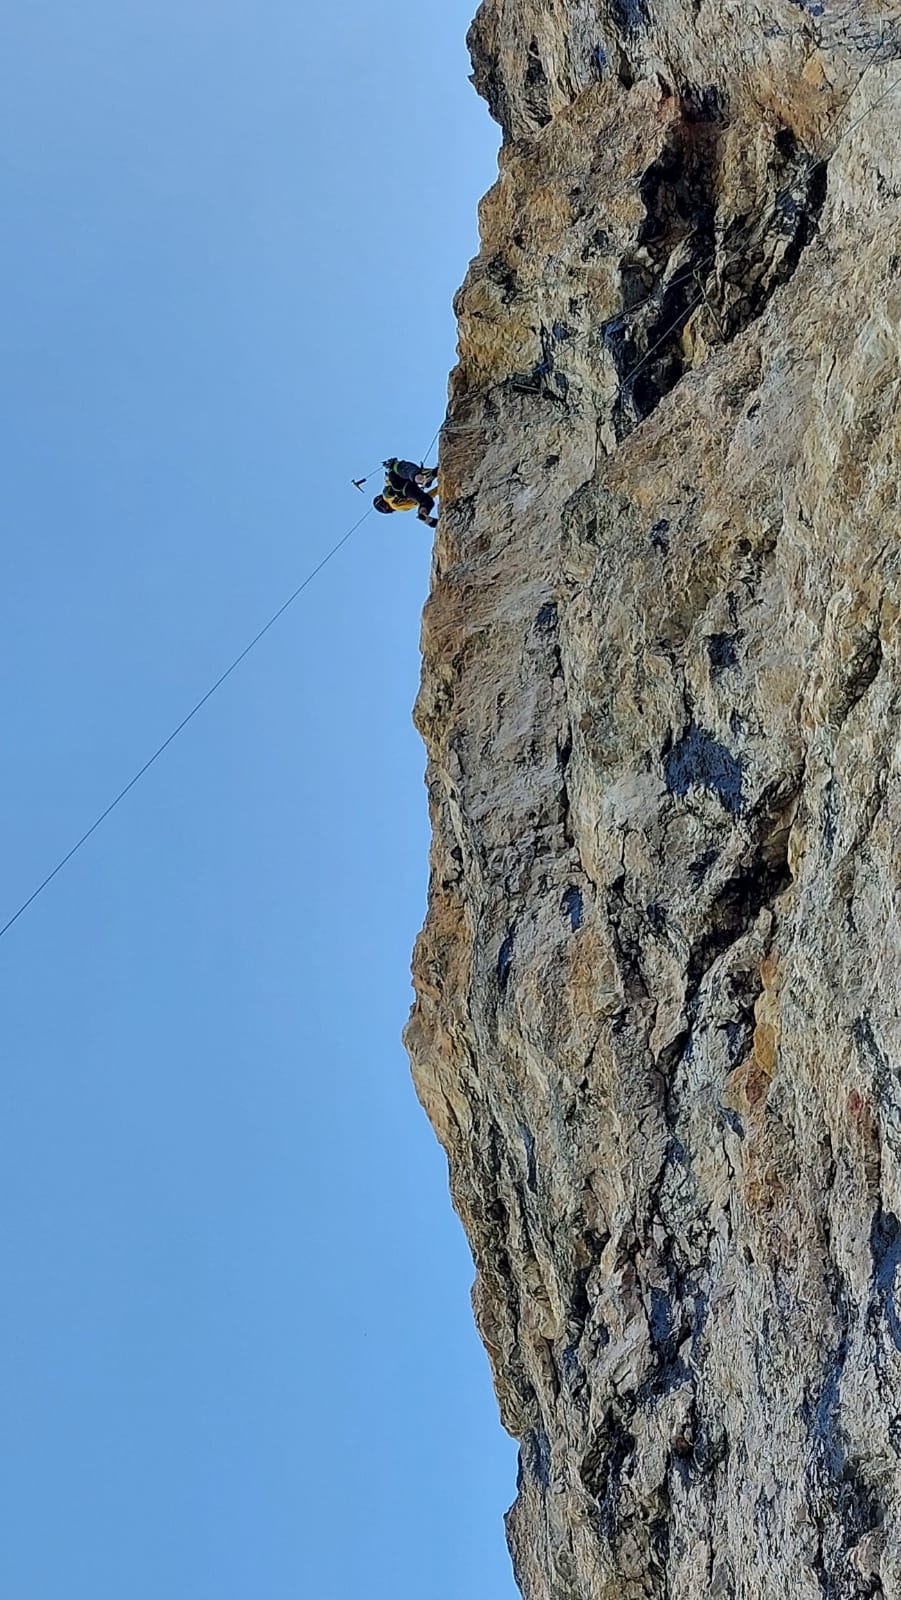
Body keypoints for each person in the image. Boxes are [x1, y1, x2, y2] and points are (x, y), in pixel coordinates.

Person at [373, 458, 438, 526]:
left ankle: (423, 514)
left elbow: (417, 501)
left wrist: (438, 489)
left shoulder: (399, 507)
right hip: (399, 479)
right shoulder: (386, 494)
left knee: (426, 501)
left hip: (406, 490)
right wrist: (391, 465)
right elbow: (388, 481)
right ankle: (423, 479)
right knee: (407, 470)